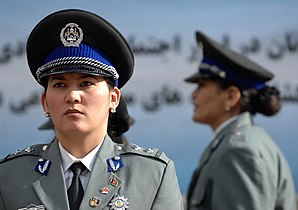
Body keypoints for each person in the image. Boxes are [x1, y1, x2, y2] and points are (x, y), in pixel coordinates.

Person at [0, 9, 184, 210]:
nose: (72, 96)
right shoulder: (9, 176)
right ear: (45, 103)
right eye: (60, 85)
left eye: (86, 83)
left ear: (113, 98)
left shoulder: (152, 175)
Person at [185, 31, 296, 210]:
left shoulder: (238, 151)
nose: (193, 94)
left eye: (202, 85)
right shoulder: (235, 142)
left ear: (231, 96)